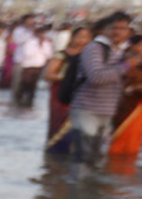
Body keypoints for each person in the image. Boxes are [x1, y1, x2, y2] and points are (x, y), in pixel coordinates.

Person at [69, 11, 131, 161]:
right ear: (105, 29)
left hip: (107, 110)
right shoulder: (94, 48)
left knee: (96, 157)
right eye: (114, 28)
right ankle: (78, 183)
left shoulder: (121, 51)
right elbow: (96, 77)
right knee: (83, 156)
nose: (118, 32)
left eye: (123, 28)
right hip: (87, 109)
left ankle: (88, 184)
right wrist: (126, 66)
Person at [44, 26, 91, 155]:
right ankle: (55, 154)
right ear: (73, 38)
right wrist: (67, 77)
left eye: (86, 37)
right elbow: (48, 74)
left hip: (83, 95)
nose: (83, 40)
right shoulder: (63, 54)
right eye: (80, 37)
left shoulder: (92, 57)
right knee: (59, 125)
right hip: (62, 93)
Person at [107, 35, 142, 156]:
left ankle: (129, 157)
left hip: (140, 100)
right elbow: (119, 78)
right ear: (132, 45)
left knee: (135, 132)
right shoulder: (123, 59)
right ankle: (116, 158)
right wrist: (132, 87)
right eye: (141, 45)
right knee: (121, 130)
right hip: (124, 100)